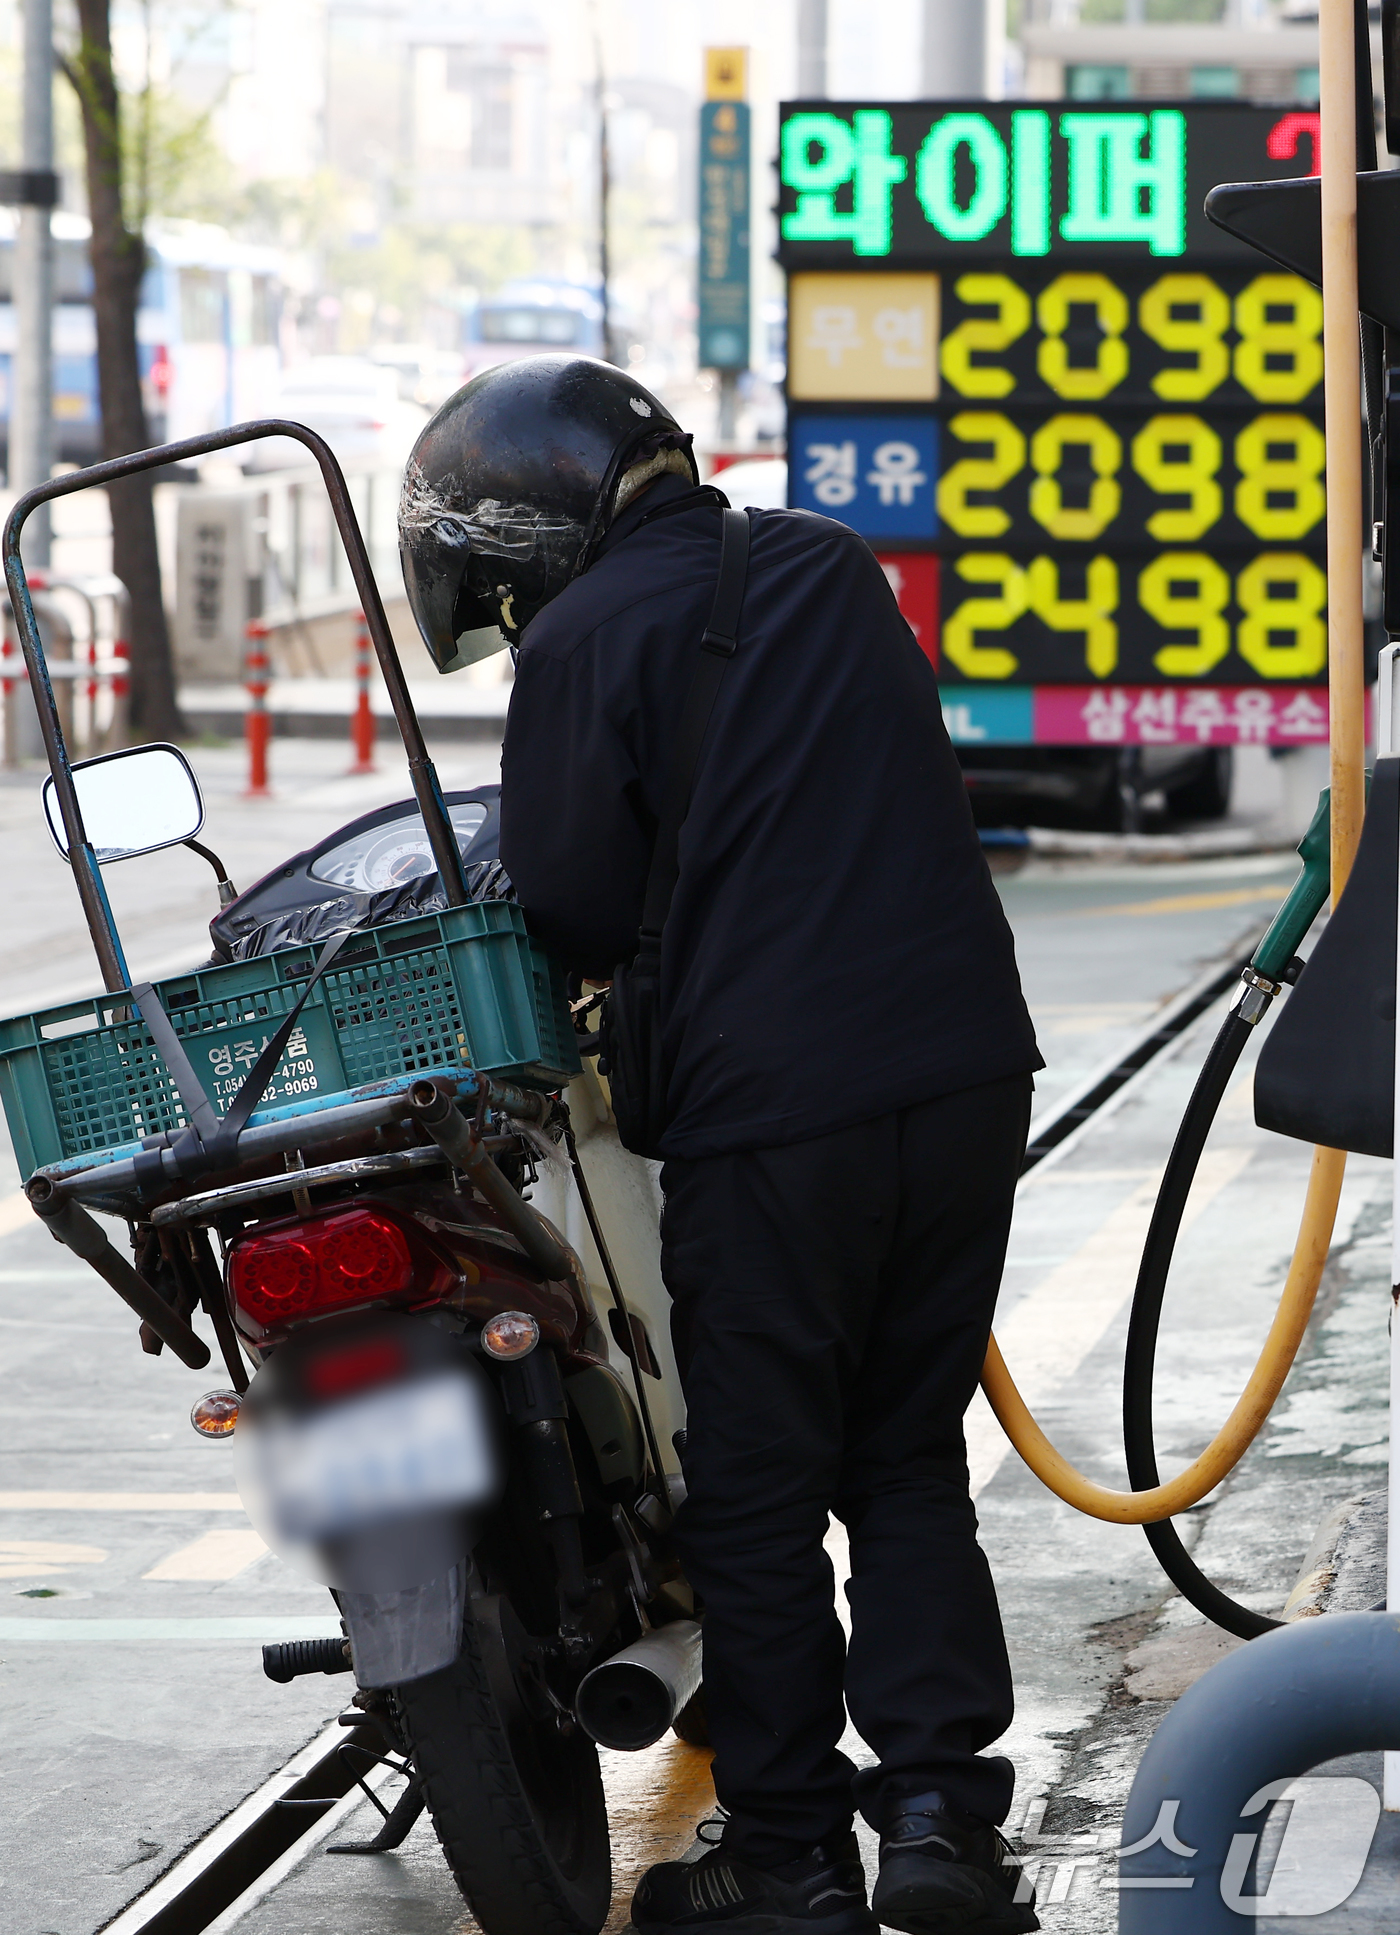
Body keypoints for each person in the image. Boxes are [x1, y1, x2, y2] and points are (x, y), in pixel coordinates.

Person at [399, 355, 1043, 1935]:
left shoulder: (581, 648)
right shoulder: (825, 563)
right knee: (905, 1460)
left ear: (534, 535)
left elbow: (568, 910)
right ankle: (947, 1830)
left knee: (756, 1492)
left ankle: (796, 1857)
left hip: (776, 1114)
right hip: (964, 1078)